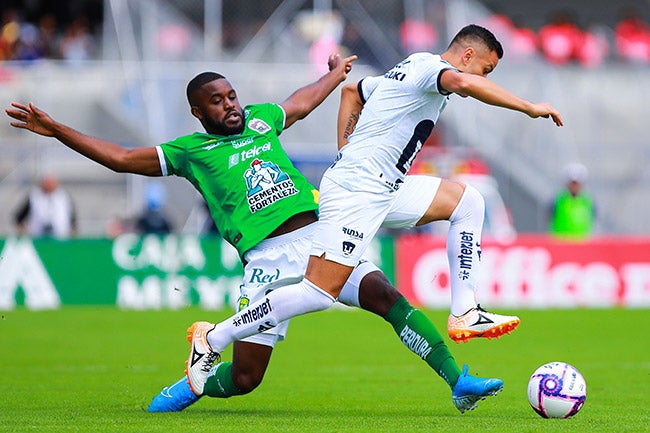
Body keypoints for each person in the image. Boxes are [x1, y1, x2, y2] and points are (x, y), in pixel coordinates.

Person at [6, 53, 503, 414]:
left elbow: (302, 103)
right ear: (199, 113)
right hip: (265, 258)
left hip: (319, 234)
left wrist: (336, 73)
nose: (230, 106)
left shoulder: (263, 121)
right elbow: (119, 159)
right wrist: (60, 130)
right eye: (216, 102)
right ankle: (190, 387)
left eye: (231, 96)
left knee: (386, 296)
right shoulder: (189, 151)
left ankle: (458, 380)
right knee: (246, 379)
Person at [180, 24, 564, 399]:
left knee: (469, 201)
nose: (483, 77)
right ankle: (213, 337)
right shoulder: (433, 70)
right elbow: (463, 82)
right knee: (317, 293)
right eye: (485, 69)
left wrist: (347, 149)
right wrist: (529, 106)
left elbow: (352, 91)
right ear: (466, 56)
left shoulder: (411, 70)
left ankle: (465, 310)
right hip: (357, 191)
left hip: (384, 187)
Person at [13, 174, 77, 238]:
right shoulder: (34, 197)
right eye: (48, 184)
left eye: (52, 184)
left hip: (61, 236)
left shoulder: (63, 196)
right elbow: (20, 216)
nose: (50, 186)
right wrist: (22, 230)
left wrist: (73, 229)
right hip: (37, 236)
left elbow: (71, 215)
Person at [548, 162, 595, 240]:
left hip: (582, 244)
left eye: (576, 183)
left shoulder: (588, 202)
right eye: (572, 183)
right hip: (561, 245)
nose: (574, 186)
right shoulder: (558, 201)